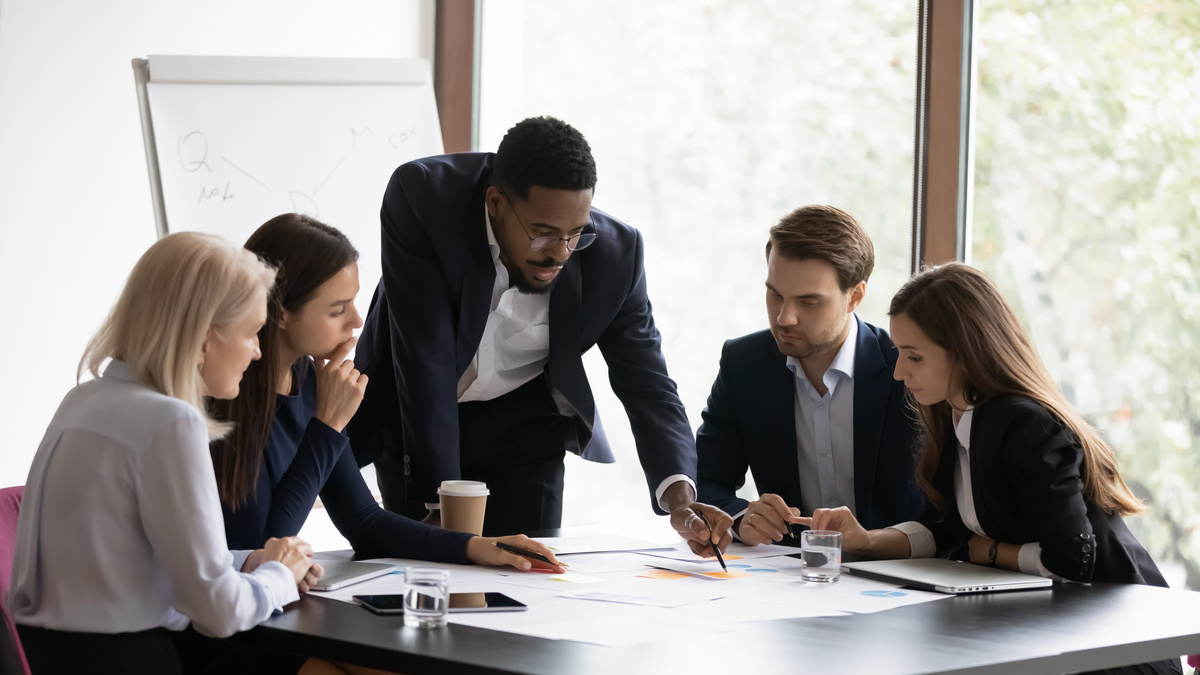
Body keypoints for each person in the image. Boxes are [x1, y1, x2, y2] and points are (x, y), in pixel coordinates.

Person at [348, 116, 732, 552]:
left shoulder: (615, 255)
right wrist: (442, 503)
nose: (559, 253)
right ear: (495, 203)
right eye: (543, 233)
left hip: (524, 425)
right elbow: (425, 353)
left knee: (531, 574)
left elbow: (648, 381)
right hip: (418, 414)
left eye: (575, 234)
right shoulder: (424, 197)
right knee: (424, 572)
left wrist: (682, 500)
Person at [800, 262, 1180, 675]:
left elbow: (1074, 559)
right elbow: (944, 530)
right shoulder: (955, 417)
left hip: (1116, 649)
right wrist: (867, 541)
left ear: (964, 353)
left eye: (914, 356)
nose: (898, 372)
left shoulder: (1023, 424)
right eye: (898, 354)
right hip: (1054, 632)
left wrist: (993, 552)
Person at [8, 232, 326, 674]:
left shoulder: (82, 401)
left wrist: (248, 561)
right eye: (252, 333)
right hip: (136, 661)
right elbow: (219, 611)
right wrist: (279, 576)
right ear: (202, 340)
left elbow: (138, 560)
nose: (257, 351)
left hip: (56, 656)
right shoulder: (171, 422)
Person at [211, 214, 565, 572]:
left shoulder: (311, 381)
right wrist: (329, 424)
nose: (356, 321)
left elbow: (363, 520)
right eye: (337, 310)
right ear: (280, 311)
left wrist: (475, 546)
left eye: (352, 302)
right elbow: (261, 549)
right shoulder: (223, 393)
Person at [697, 205, 923, 546]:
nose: (785, 317)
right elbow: (705, 478)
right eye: (775, 294)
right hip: (787, 575)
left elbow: (943, 508)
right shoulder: (743, 363)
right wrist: (743, 518)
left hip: (896, 573)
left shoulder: (906, 368)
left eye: (809, 302)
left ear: (855, 297)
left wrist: (873, 543)